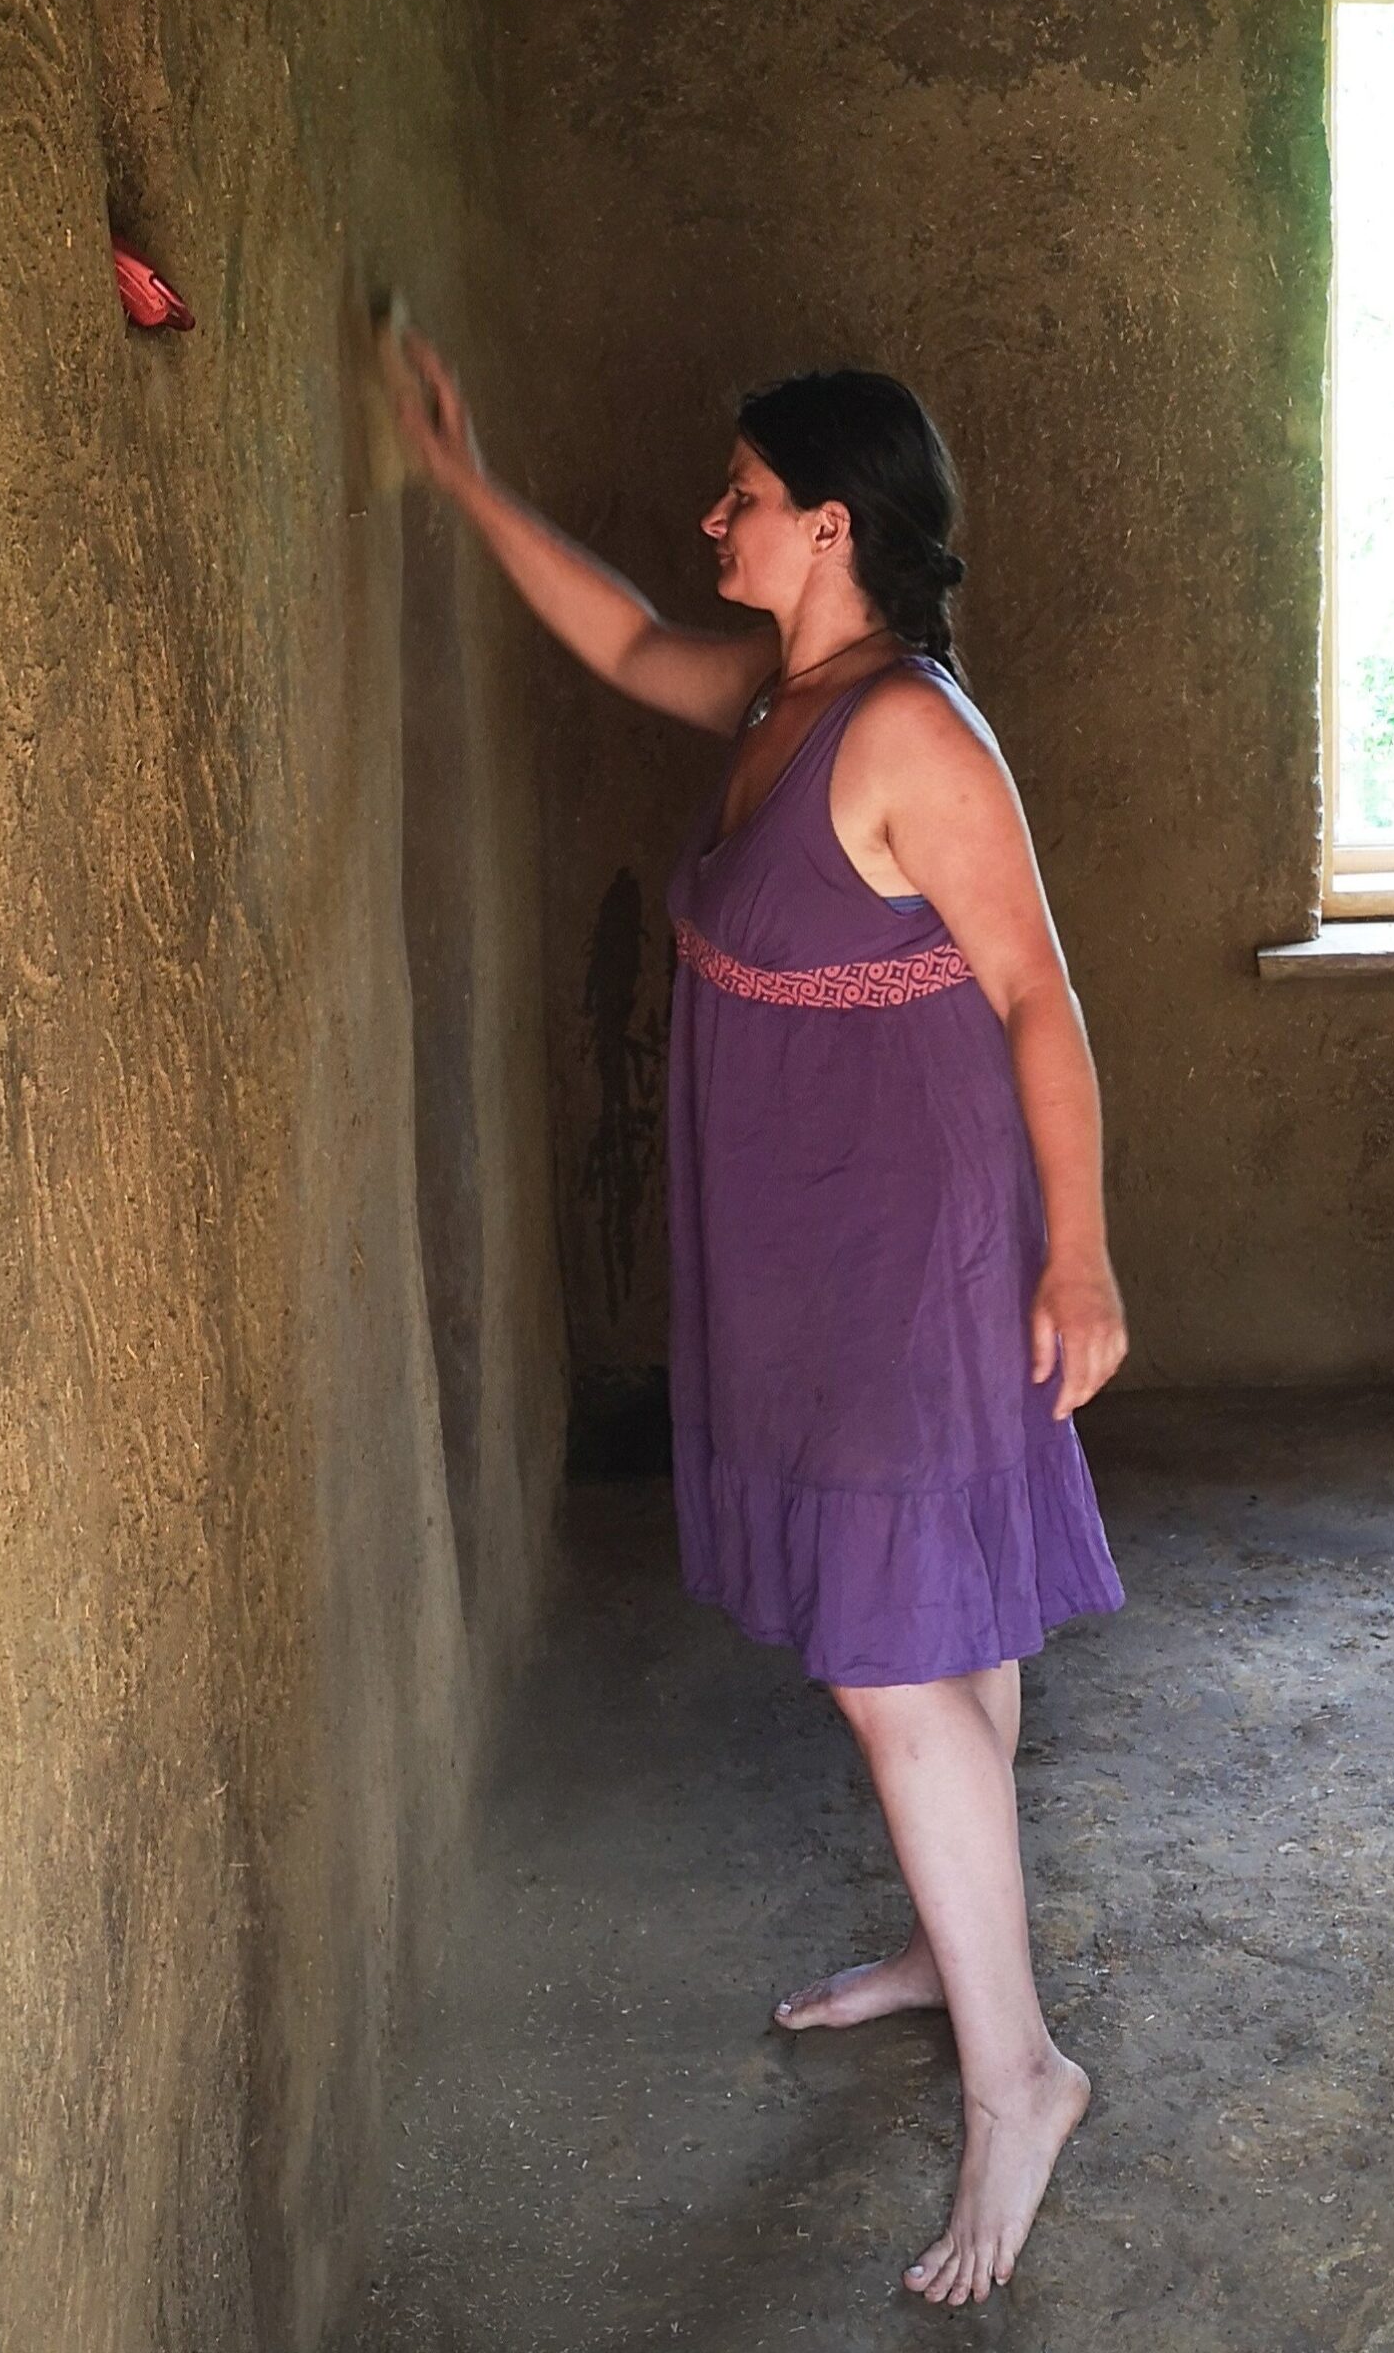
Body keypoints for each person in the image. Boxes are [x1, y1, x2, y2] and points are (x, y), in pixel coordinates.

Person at [385, 337, 1128, 2308]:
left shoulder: (907, 737)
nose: (706, 517)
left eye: (738, 493)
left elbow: (1039, 994)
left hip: (911, 1240)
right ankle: (939, 1939)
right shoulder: (783, 692)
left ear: (831, 522)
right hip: (812, 1224)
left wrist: (1083, 1258)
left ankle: (1018, 2070)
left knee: (895, 1657)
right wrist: (465, 489)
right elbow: (629, 644)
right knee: (918, 1628)